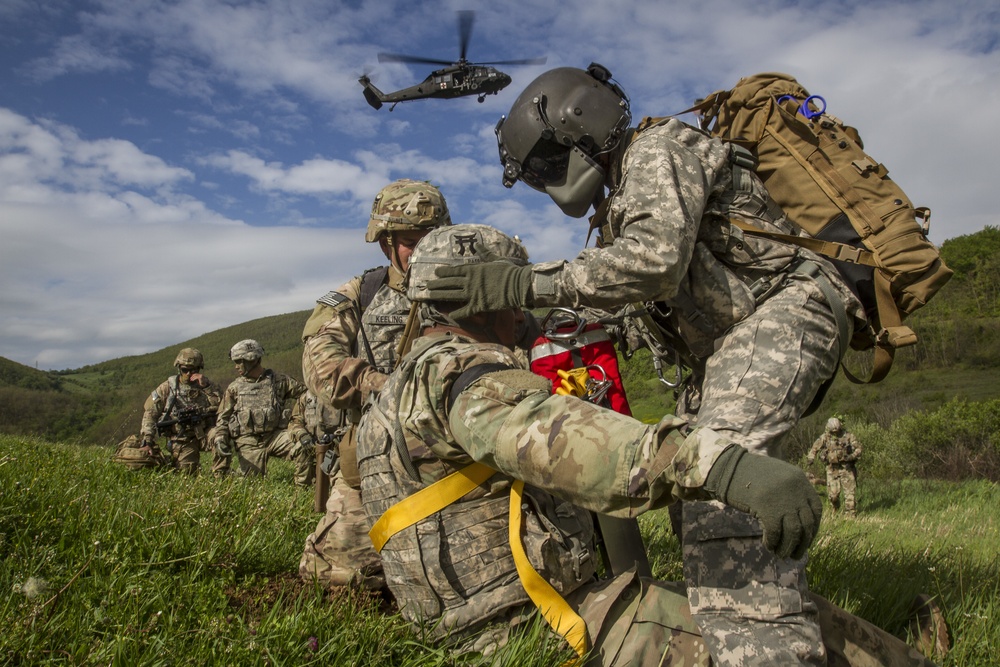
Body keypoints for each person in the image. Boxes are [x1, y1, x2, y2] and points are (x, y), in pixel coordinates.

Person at [424, 64, 868, 665]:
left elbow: (654, 263)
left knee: (722, 497)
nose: (552, 180)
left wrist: (525, 283)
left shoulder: (656, 151)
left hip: (784, 311)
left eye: (551, 161)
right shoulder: (621, 201)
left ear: (580, 125)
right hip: (731, 342)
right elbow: (631, 297)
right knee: (693, 490)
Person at [356, 224, 934, 667]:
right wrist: (727, 468)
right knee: (763, 632)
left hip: (490, 620)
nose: (520, 311)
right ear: (480, 300)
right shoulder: (461, 375)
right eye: (510, 294)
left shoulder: (395, 389)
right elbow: (563, 442)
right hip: (537, 626)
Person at [298, 179, 453, 590]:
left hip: (458, 459)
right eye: (409, 241)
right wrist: (384, 385)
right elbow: (321, 366)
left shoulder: (472, 294)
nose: (421, 250)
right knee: (337, 579)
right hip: (374, 462)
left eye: (431, 239)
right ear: (386, 243)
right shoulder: (359, 296)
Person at [213, 339, 311, 485]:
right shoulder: (234, 388)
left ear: (252, 360)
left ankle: (303, 489)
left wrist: (297, 420)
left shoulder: (279, 381)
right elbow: (223, 418)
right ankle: (232, 476)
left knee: (304, 447)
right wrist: (220, 437)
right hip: (249, 441)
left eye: (239, 361)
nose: (236, 367)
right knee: (251, 485)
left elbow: (307, 395)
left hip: (276, 436)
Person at [139, 347, 221, 476]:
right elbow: (150, 414)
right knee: (186, 474)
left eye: (194, 370)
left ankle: (221, 474)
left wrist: (207, 388)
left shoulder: (208, 386)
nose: (189, 374)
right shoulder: (167, 388)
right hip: (181, 438)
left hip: (205, 433)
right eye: (185, 370)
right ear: (179, 368)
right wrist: (147, 441)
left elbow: (222, 406)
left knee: (220, 437)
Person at [808, 417, 863, 517]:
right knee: (833, 495)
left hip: (846, 468)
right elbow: (815, 447)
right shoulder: (825, 437)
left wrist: (851, 456)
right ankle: (835, 508)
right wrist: (811, 458)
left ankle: (850, 515)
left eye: (837, 431)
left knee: (850, 494)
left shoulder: (848, 436)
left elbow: (859, 449)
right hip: (832, 469)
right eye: (833, 431)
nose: (835, 433)